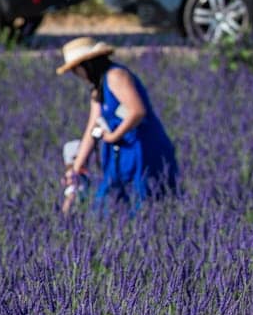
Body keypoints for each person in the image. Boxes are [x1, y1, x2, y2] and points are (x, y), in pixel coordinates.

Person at [57, 38, 179, 212]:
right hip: (120, 152)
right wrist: (76, 170)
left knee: (145, 202)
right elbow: (92, 128)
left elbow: (137, 111)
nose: (76, 75)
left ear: (87, 65)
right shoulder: (97, 89)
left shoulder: (116, 76)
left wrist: (113, 136)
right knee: (108, 204)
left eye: (76, 70)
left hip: (141, 148)